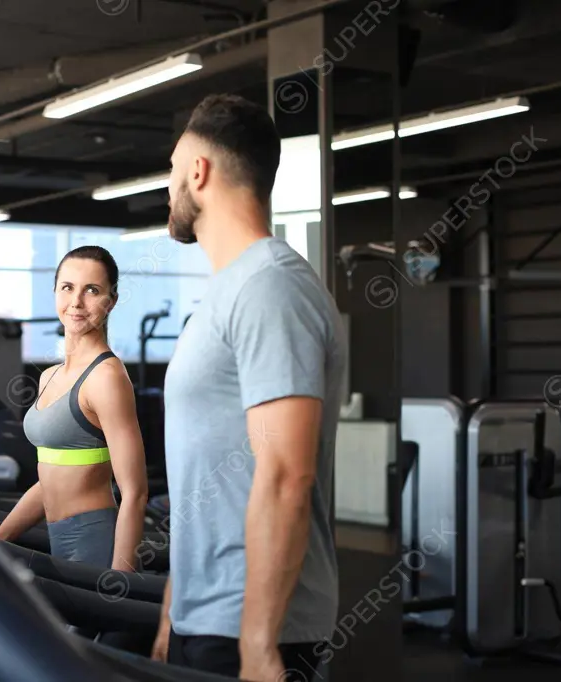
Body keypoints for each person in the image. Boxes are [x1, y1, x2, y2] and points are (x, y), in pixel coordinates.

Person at [150, 94, 345, 682]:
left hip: (250, 631)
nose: (167, 188)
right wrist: (171, 613)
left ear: (198, 173)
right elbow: (207, 478)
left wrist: (259, 646)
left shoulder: (269, 290)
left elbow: (286, 474)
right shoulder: (230, 292)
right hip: (206, 619)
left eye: (170, 170)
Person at [0, 245, 148, 573]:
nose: (77, 302)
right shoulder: (50, 376)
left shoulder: (106, 376)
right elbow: (50, 478)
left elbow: (134, 492)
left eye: (92, 290)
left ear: (112, 300)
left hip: (93, 543)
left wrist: (121, 583)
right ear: (55, 292)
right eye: (67, 288)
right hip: (58, 538)